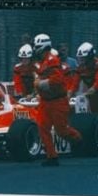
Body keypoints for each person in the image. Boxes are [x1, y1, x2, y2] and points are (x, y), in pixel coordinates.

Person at [33, 34, 81, 166]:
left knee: (61, 131)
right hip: (45, 101)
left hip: (57, 101)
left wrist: (40, 84)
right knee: (42, 127)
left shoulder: (52, 60)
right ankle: (52, 157)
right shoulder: (41, 61)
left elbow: (57, 80)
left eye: (36, 46)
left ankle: (79, 140)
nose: (35, 49)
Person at [75, 43, 98, 131]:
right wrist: (69, 93)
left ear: (89, 57)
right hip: (92, 95)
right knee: (94, 115)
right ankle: (97, 133)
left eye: (83, 58)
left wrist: (86, 93)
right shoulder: (80, 68)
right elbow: (74, 84)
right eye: (80, 58)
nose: (81, 61)